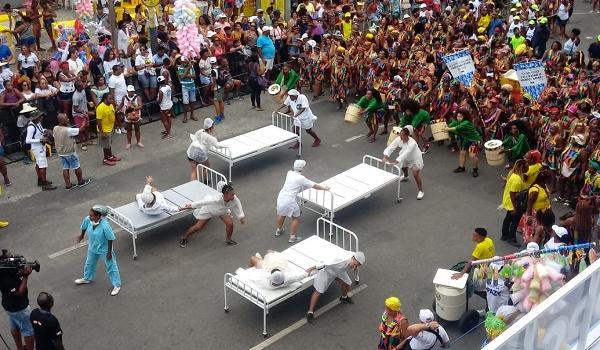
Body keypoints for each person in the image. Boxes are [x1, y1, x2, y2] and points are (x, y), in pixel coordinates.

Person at [276, 160, 330, 243]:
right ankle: (292, 237)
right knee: (295, 218)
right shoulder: (301, 178)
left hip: (281, 197)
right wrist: (324, 188)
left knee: (281, 214)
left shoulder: (289, 173)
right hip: (290, 200)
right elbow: (314, 186)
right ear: (302, 168)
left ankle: (279, 230)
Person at [75, 205, 122, 296]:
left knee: (111, 266)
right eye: (90, 215)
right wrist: (81, 236)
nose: (90, 216)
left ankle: (117, 285)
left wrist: (109, 253)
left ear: (98, 216)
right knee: (89, 264)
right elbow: (84, 227)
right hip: (92, 248)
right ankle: (87, 278)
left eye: (92, 215)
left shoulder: (105, 226)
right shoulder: (88, 219)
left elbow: (110, 239)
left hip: (104, 250)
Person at [179, 181, 245, 247]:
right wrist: (192, 205)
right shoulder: (216, 199)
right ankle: (184, 237)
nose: (234, 196)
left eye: (234, 194)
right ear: (225, 194)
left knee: (230, 224)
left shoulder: (234, 198)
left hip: (221, 211)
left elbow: (238, 205)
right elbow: (204, 202)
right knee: (198, 227)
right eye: (232, 195)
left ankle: (228, 240)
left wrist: (240, 217)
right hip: (209, 210)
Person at [305, 251, 365, 323]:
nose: (354, 267)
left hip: (339, 272)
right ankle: (310, 312)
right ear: (353, 258)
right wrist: (311, 268)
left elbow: (355, 263)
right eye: (355, 264)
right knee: (318, 291)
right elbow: (324, 263)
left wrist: (355, 267)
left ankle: (344, 297)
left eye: (357, 266)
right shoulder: (340, 259)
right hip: (327, 272)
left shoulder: (353, 258)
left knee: (347, 283)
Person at [0, 249, 35, 350]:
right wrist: (25, 276)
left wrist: (20, 272)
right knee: (28, 331)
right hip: (19, 309)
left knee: (14, 326)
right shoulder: (5, 279)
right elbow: (20, 292)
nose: (13, 258)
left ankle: (19, 348)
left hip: (9, 308)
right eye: (11, 257)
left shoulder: (4, 270)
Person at [383, 126, 425, 200]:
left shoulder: (413, 143)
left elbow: (406, 153)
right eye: (400, 134)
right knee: (402, 166)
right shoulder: (398, 139)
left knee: (415, 173)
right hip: (405, 155)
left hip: (415, 157)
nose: (400, 136)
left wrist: (395, 162)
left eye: (402, 135)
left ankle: (421, 191)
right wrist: (385, 156)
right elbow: (391, 147)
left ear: (407, 135)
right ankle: (406, 176)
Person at [53, 113, 91, 190]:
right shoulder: (68, 130)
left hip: (61, 153)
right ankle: (80, 182)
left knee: (65, 167)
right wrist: (84, 119)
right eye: (66, 119)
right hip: (70, 152)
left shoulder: (55, 128)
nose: (68, 119)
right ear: (61, 121)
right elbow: (81, 129)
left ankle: (68, 185)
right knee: (76, 166)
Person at [236, 250, 309, 289]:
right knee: (271, 254)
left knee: (253, 258)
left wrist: (246, 271)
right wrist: (316, 267)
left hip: (264, 269)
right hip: (274, 269)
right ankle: (263, 258)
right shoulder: (288, 278)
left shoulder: (263, 280)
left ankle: (261, 259)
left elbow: (252, 275)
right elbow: (306, 273)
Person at [25, 111, 57, 191]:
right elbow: (27, 140)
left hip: (40, 146)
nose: (42, 117)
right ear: (36, 118)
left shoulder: (38, 123)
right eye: (40, 116)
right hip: (37, 148)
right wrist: (40, 139)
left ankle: (40, 180)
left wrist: (46, 130)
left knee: (39, 164)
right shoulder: (31, 127)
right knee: (43, 166)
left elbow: (41, 130)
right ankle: (44, 184)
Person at [446, 108, 481, 177]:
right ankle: (461, 167)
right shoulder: (456, 121)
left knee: (472, 155)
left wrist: (446, 129)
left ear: (465, 117)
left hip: (473, 140)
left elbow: (455, 128)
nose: (458, 118)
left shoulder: (467, 122)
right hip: (464, 140)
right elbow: (449, 126)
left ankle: (475, 169)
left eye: (460, 116)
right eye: (457, 116)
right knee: (462, 153)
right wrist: (445, 127)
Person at [501, 160, 529, 247]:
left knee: (508, 219)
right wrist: (515, 207)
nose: (528, 168)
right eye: (526, 166)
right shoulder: (517, 180)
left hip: (509, 202)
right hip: (514, 204)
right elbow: (513, 194)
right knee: (515, 221)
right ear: (522, 167)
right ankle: (511, 237)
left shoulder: (513, 174)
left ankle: (504, 235)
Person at [96, 93, 121, 166]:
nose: (112, 100)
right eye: (110, 99)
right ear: (105, 99)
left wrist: (116, 125)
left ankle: (110, 156)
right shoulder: (100, 108)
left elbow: (113, 115)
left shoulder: (111, 105)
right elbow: (99, 122)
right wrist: (102, 132)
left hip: (110, 128)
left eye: (112, 98)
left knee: (108, 144)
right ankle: (105, 159)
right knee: (105, 146)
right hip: (104, 130)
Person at [177, 56, 198, 123]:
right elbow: (182, 76)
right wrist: (187, 69)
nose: (184, 63)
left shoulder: (191, 67)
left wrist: (186, 74)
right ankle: (185, 117)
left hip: (192, 86)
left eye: (185, 61)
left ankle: (192, 115)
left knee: (192, 101)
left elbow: (194, 76)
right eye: (182, 62)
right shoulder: (180, 67)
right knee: (185, 103)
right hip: (185, 87)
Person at [72, 81, 92, 151]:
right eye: (81, 85)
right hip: (78, 115)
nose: (83, 85)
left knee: (87, 127)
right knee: (81, 129)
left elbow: (84, 100)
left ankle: (87, 140)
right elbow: (75, 109)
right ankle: (82, 143)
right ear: (78, 87)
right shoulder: (75, 96)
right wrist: (85, 112)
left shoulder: (83, 91)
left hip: (85, 112)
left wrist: (88, 103)